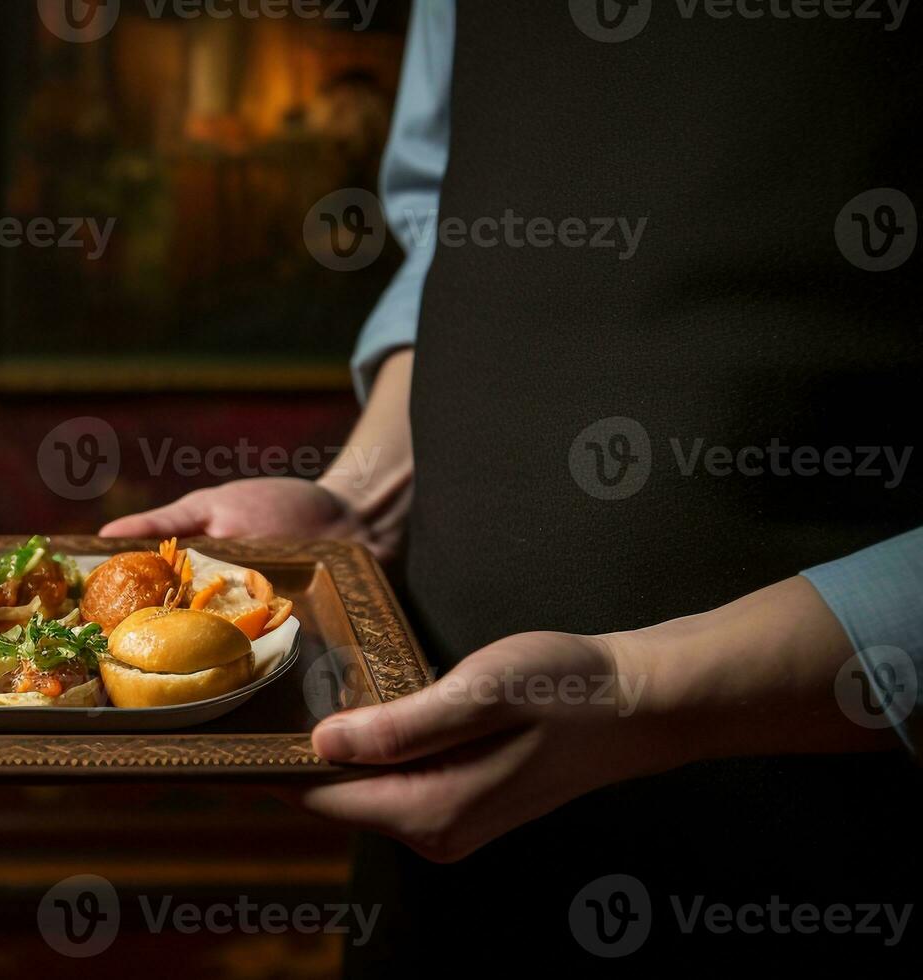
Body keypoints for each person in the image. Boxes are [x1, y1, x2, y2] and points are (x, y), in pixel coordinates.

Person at [103, 1, 920, 969]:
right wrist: (359, 502)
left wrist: (639, 691)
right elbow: (447, 222)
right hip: (456, 846)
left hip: (831, 848)